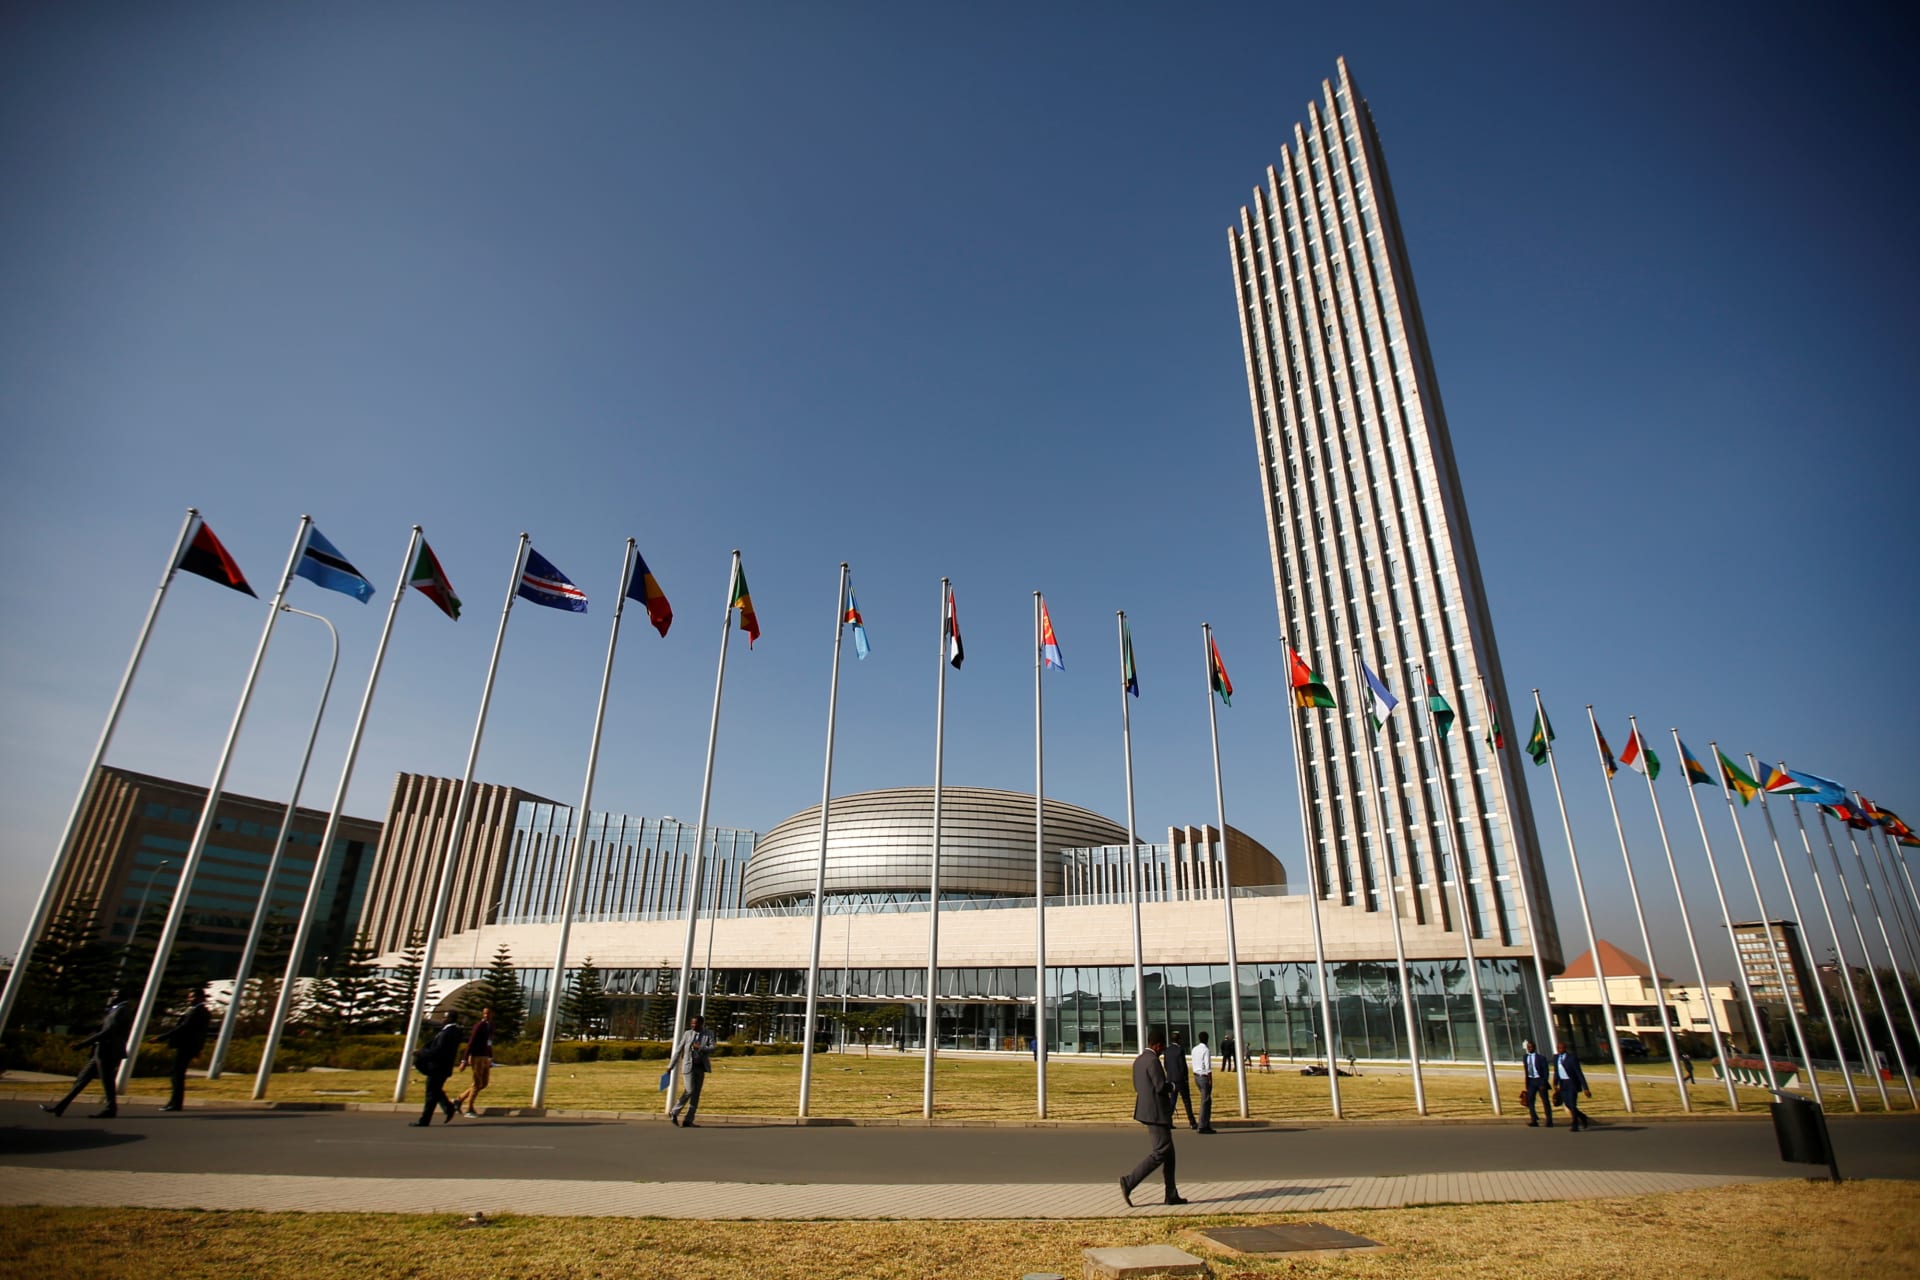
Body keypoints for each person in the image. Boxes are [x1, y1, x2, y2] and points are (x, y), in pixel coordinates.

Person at [1118, 1027, 1186, 1206]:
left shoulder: (1139, 1060)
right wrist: (1172, 1086)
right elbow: (1159, 1086)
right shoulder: (1153, 1061)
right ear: (1156, 1045)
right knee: (1161, 1152)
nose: (1163, 1051)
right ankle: (1129, 1181)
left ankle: (1171, 1194)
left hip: (1146, 1109)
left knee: (1169, 1154)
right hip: (1156, 1112)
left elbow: (1138, 1086)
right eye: (1162, 1047)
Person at [43, 990, 135, 1118]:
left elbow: (108, 1031)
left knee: (107, 1082)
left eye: (114, 995)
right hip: (101, 1051)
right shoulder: (115, 1009)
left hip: (109, 1052)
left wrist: (83, 1044)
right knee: (82, 1079)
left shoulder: (122, 1010)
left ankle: (110, 1109)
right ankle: (60, 1107)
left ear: (121, 997)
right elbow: (101, 1028)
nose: (111, 998)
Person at [155, 988, 212, 1112]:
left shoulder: (199, 1011)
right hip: (188, 1046)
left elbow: (185, 1028)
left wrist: (162, 1037)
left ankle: (175, 1103)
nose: (189, 999)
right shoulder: (196, 1010)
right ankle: (174, 1102)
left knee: (177, 1075)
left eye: (192, 997)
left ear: (200, 997)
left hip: (187, 1046)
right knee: (176, 1074)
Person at [410, 1011, 464, 1127]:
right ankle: (449, 1108)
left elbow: (438, 1051)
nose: (442, 1019)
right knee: (435, 1090)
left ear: (450, 1019)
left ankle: (424, 1120)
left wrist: (421, 1053)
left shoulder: (447, 1033)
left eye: (444, 1017)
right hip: (442, 1067)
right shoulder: (453, 1031)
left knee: (431, 1093)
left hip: (438, 1067)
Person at [668, 1014, 714, 1128]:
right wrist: (671, 1066)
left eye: (696, 1023)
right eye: (692, 1023)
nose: (693, 1025)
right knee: (689, 1090)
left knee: (696, 1094)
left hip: (700, 1067)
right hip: (689, 1066)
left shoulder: (708, 1034)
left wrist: (701, 1048)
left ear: (701, 1024)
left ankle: (688, 1120)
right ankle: (674, 1112)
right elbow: (679, 1050)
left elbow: (713, 1048)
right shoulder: (687, 1034)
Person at [455, 1007, 494, 1117]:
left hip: (485, 1057)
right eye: (484, 1013)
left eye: (488, 1013)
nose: (486, 1015)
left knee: (484, 1083)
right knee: (477, 1083)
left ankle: (459, 1099)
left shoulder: (490, 1026)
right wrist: (464, 1060)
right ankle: (469, 1109)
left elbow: (489, 1043)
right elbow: (471, 1043)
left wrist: (490, 1057)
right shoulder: (479, 1026)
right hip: (476, 1056)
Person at [1554, 1039, 1592, 1132]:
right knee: (1567, 1104)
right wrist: (1555, 1083)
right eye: (1558, 1048)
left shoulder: (1572, 1058)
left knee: (1572, 1103)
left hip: (1571, 1083)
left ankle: (1574, 1124)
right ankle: (1582, 1117)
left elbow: (1579, 1073)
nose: (1560, 1049)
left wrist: (1585, 1088)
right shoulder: (1556, 1058)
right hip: (1563, 1083)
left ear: (1565, 1048)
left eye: (1561, 1048)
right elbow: (1556, 1071)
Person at [1164, 1029, 1195, 1130]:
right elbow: (1182, 1065)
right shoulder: (1180, 1050)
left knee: (1172, 1101)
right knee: (1186, 1100)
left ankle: (1168, 1121)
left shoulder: (1167, 1050)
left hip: (1171, 1078)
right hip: (1180, 1079)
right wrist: (1185, 1077)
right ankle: (1192, 1122)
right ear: (1179, 1039)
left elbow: (1166, 1065)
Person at [1521, 1039, 1554, 1128]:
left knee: (1545, 1101)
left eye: (1531, 1047)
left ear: (1534, 1048)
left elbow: (1545, 1071)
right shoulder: (1525, 1057)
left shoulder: (1541, 1058)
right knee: (1530, 1101)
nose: (1529, 1048)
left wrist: (1543, 1082)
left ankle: (1549, 1120)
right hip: (1531, 1081)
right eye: (1528, 1047)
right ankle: (1534, 1120)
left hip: (1540, 1080)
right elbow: (1526, 1070)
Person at [1190, 1030, 1216, 1134]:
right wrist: (1210, 1079)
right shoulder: (1206, 1050)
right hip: (1204, 1076)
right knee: (1205, 1101)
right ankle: (1202, 1125)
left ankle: (1206, 1123)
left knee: (1206, 1100)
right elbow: (1207, 1066)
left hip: (1196, 1075)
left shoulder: (1194, 1049)